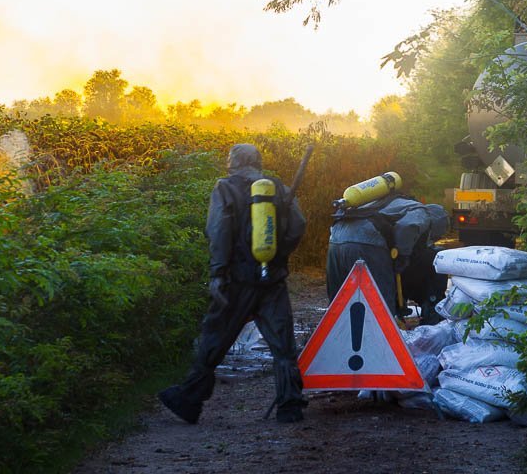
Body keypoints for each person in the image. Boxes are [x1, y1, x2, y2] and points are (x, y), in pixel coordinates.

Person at [158, 143, 308, 424]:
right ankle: (290, 406)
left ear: (236, 162)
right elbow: (298, 225)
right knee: (282, 343)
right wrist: (278, 256)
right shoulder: (277, 187)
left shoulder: (224, 188)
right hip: (272, 278)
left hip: (236, 280)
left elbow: (219, 231)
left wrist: (217, 273)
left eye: (229, 158)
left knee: (215, 336)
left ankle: (190, 399)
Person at [326, 194, 449, 323]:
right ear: (436, 225)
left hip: (336, 238)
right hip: (368, 242)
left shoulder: (391, 203)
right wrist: (402, 256)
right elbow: (408, 227)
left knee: (338, 299)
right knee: (381, 302)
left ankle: (330, 336)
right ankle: (380, 339)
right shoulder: (422, 213)